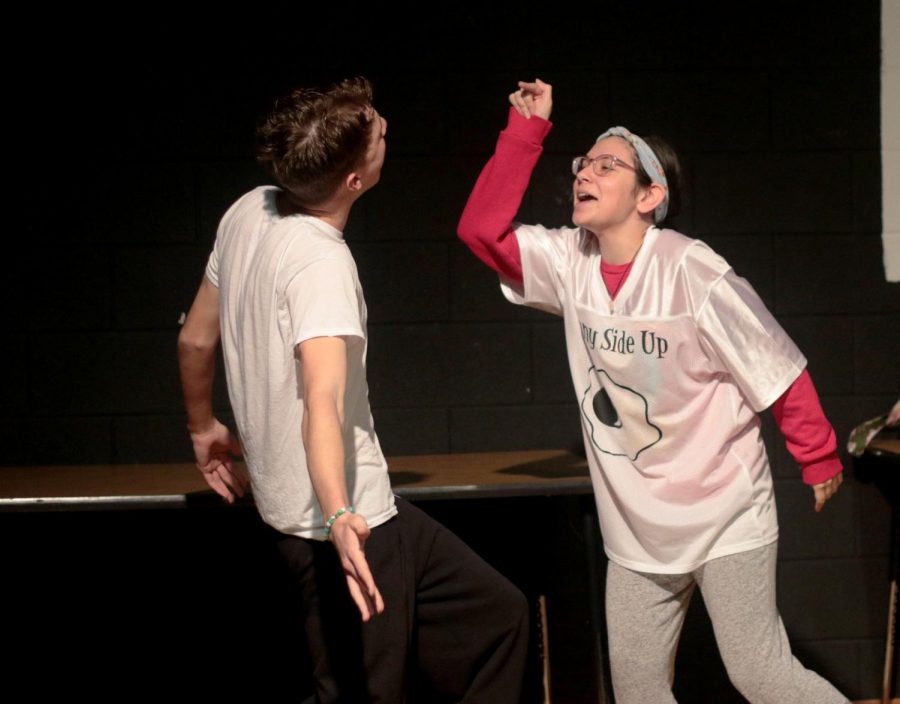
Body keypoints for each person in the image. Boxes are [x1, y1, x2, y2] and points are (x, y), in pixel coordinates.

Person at [457, 79, 848, 704]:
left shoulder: (693, 270)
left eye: (607, 164)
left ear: (650, 195)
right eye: (583, 162)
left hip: (726, 511)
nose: (585, 172)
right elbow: (481, 231)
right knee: (638, 688)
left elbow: (775, 362)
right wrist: (525, 132)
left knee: (760, 673)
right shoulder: (568, 261)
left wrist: (817, 452)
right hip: (638, 525)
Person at [178, 76, 528, 703]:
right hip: (353, 520)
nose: (386, 128)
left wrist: (202, 427)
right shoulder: (323, 265)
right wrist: (341, 516)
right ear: (353, 182)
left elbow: (195, 341)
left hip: (316, 512)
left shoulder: (248, 209)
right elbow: (323, 403)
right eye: (379, 133)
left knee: (496, 616)